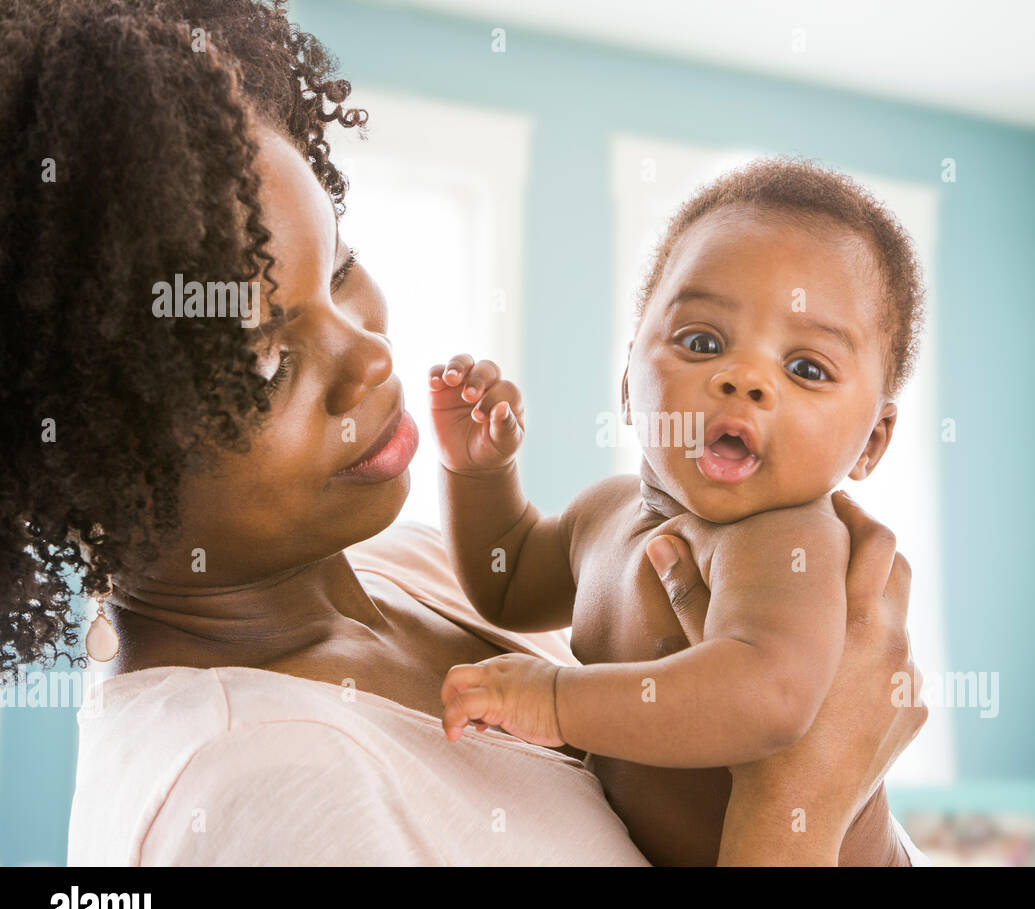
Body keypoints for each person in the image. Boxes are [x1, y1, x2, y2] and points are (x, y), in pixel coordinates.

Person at [0, 0, 928, 865]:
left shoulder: (390, 564)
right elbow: (530, 577)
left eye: (342, 267)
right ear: (89, 447)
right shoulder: (266, 788)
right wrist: (804, 795)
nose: (368, 356)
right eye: (265, 360)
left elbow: (513, 583)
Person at [431, 160, 926, 865]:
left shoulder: (790, 543)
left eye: (807, 368)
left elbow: (770, 698)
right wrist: (480, 475)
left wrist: (557, 703)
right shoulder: (603, 513)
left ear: (870, 443)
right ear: (629, 382)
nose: (744, 379)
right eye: (702, 343)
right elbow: (506, 586)